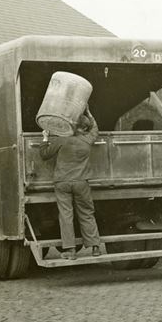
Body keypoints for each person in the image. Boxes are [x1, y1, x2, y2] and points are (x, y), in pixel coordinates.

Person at [39, 109, 103, 259]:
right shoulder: (88, 140)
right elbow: (95, 128)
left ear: (73, 126)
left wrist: (44, 138)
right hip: (81, 182)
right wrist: (89, 112)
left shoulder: (62, 140)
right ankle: (95, 248)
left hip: (62, 182)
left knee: (66, 215)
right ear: (85, 128)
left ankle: (70, 250)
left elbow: (44, 155)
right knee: (87, 213)